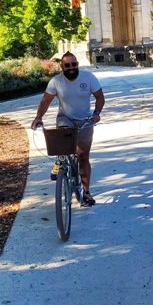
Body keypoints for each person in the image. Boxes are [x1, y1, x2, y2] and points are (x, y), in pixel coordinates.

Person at [31, 52, 105, 207]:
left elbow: (100, 97)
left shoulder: (88, 78)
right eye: (67, 65)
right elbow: (45, 101)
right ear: (62, 66)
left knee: (83, 156)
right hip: (66, 118)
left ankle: (86, 193)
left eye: (73, 64)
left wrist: (97, 114)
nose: (71, 68)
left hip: (86, 120)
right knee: (63, 144)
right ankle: (60, 161)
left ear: (77, 64)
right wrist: (38, 117)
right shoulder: (56, 82)